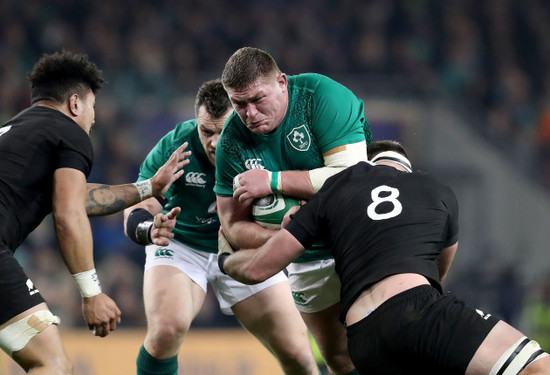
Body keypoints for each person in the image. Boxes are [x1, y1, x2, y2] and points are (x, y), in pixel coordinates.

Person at [218, 140, 550, 374]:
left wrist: (224, 257)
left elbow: (259, 267)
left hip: (363, 341)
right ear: (406, 168)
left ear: (363, 164)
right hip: (417, 310)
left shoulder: (334, 189)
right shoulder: (435, 190)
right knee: (537, 367)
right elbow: (439, 273)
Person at [0, 50, 190, 374]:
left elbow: (80, 197)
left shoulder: (19, 134)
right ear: (75, 103)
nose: (93, 118)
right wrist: (92, 294)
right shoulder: (69, 131)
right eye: (92, 106)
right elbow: (68, 213)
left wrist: (148, 188)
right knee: (52, 363)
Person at [123, 79, 319, 375]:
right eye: (206, 131)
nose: (214, 142)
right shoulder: (178, 145)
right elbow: (139, 204)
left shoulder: (267, 143)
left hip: (246, 247)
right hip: (182, 246)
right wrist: (149, 228)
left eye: (222, 131)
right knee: (166, 330)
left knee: (298, 354)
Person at [214, 46, 371, 375]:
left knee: (386, 340)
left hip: (361, 234)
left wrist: (272, 181)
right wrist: (288, 233)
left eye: (258, 99)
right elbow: (231, 226)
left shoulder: (320, 96)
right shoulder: (231, 140)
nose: (250, 113)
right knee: (338, 357)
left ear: (282, 82)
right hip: (305, 255)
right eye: (239, 103)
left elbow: (352, 178)